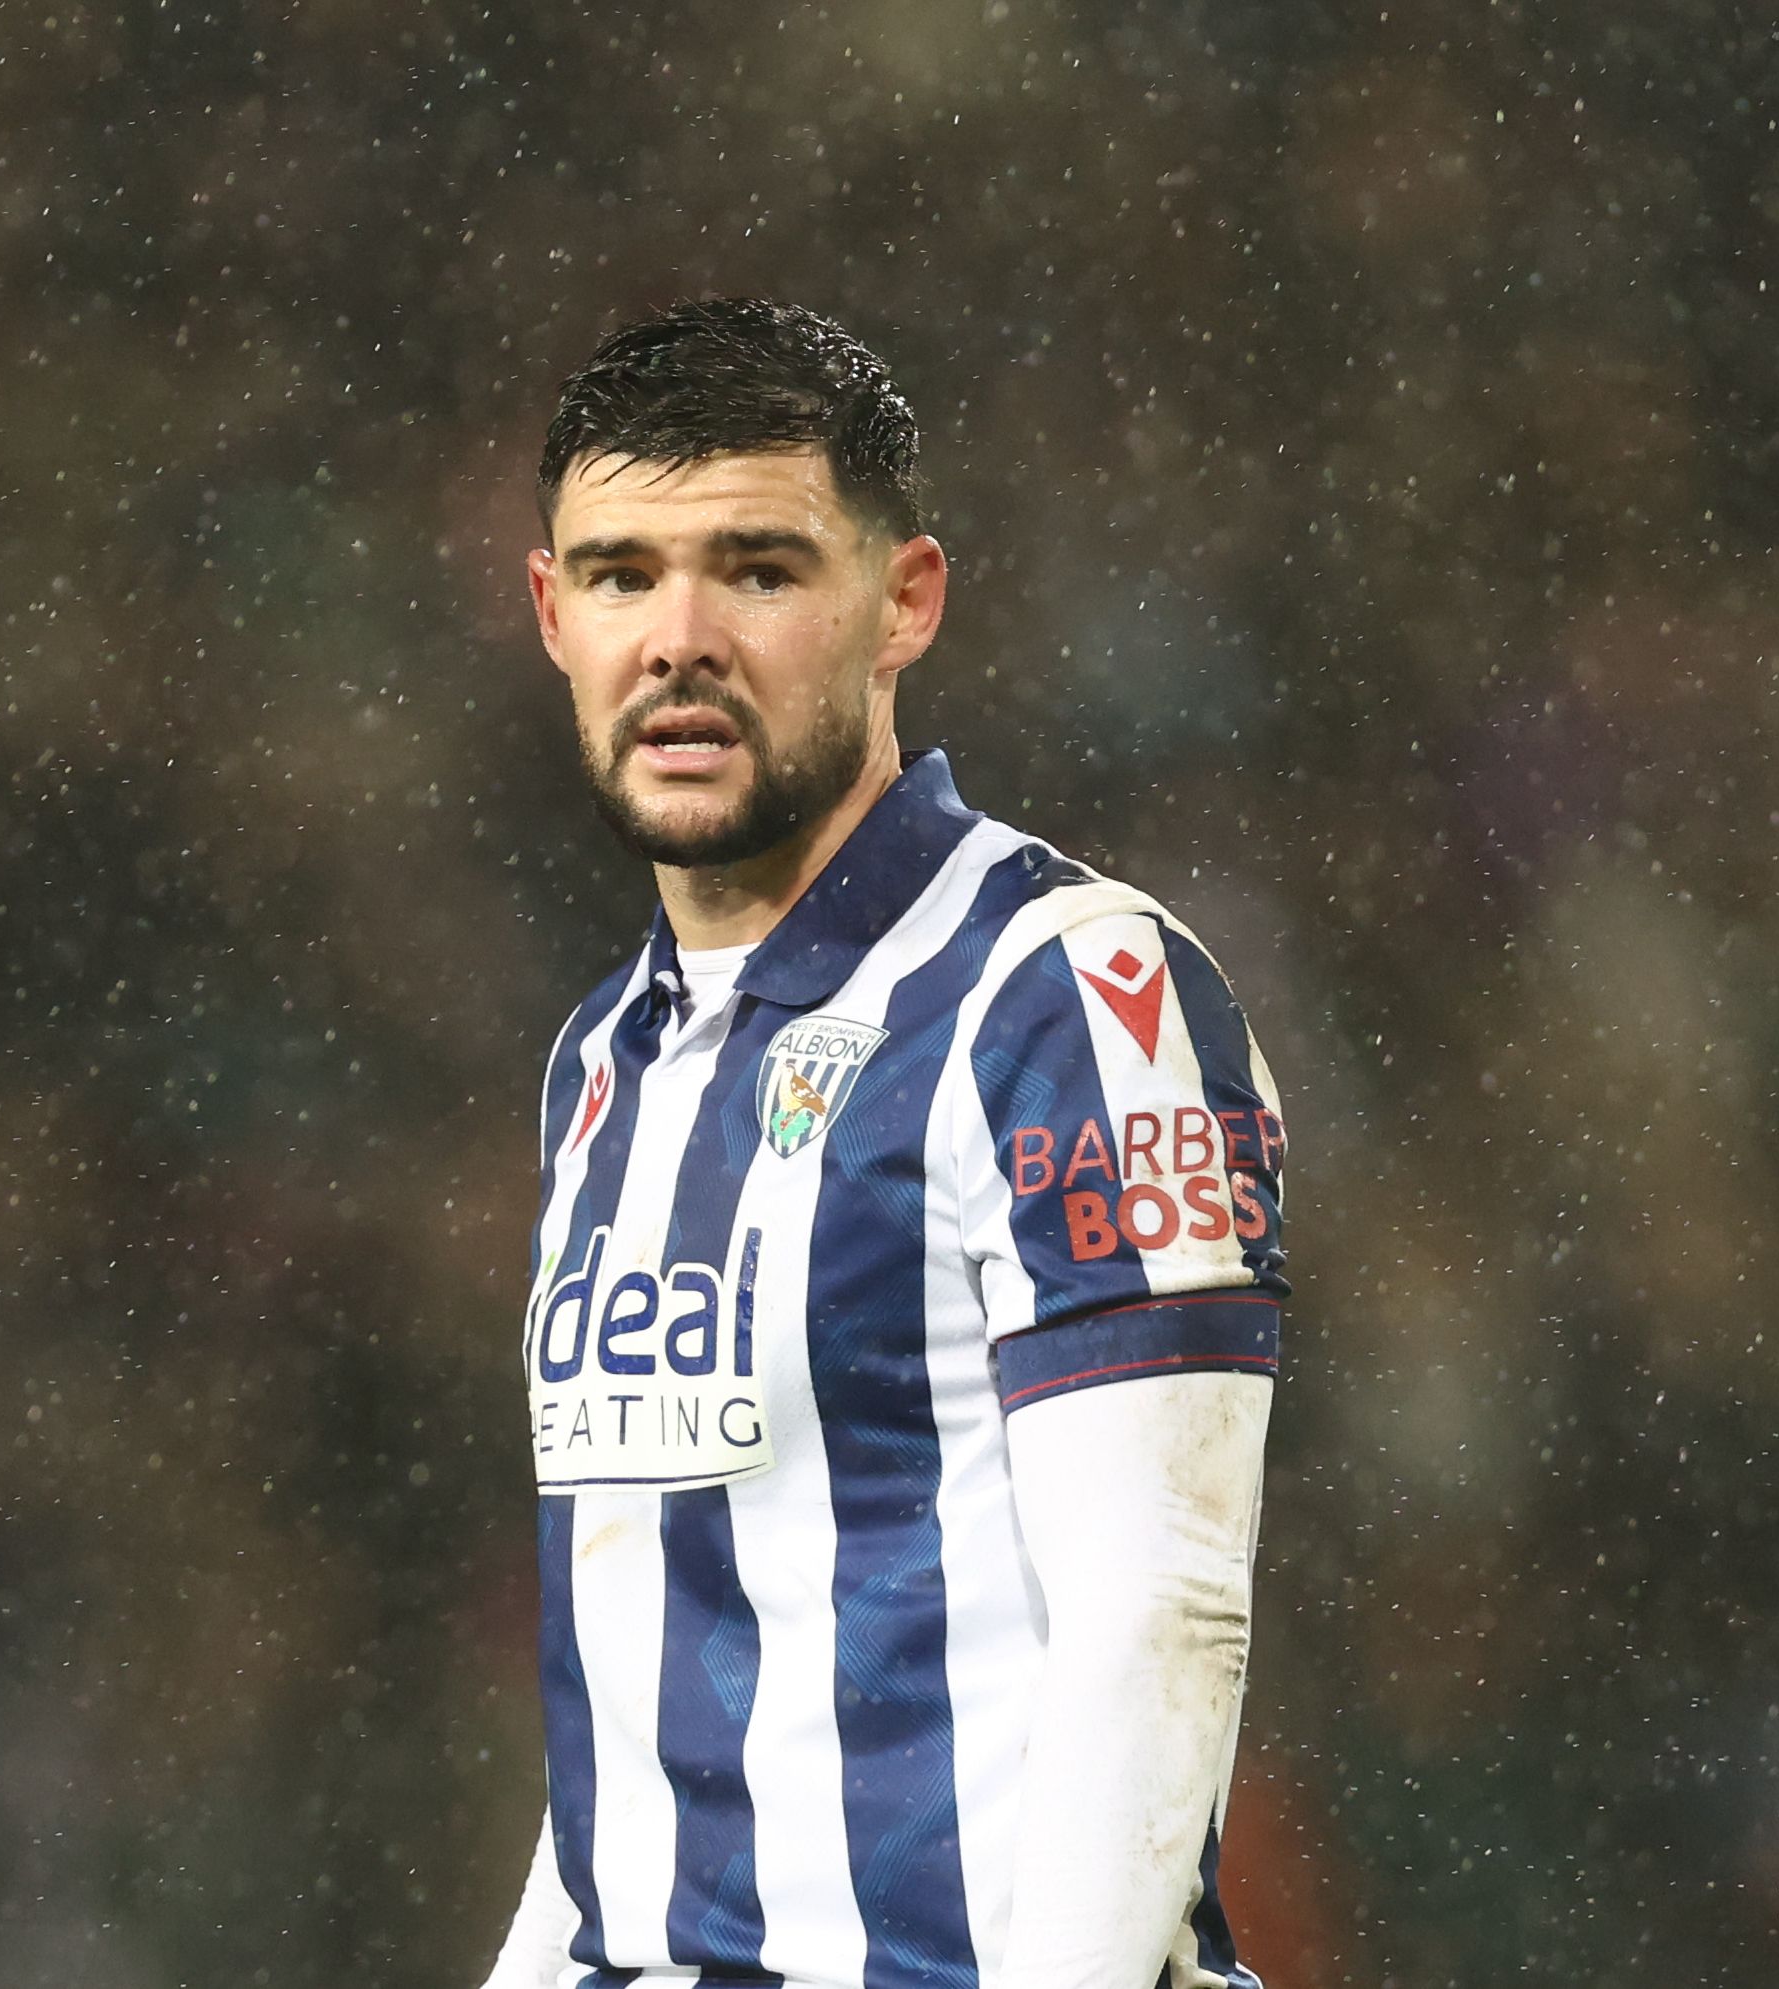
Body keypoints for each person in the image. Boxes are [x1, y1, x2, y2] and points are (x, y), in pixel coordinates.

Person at [479, 299, 1291, 1989]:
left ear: (902, 600)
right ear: (553, 613)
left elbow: (1158, 1616)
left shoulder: (1068, 993)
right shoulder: (602, 1061)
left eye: (759, 570)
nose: (679, 637)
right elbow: (632, 1744)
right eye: (624, 574)